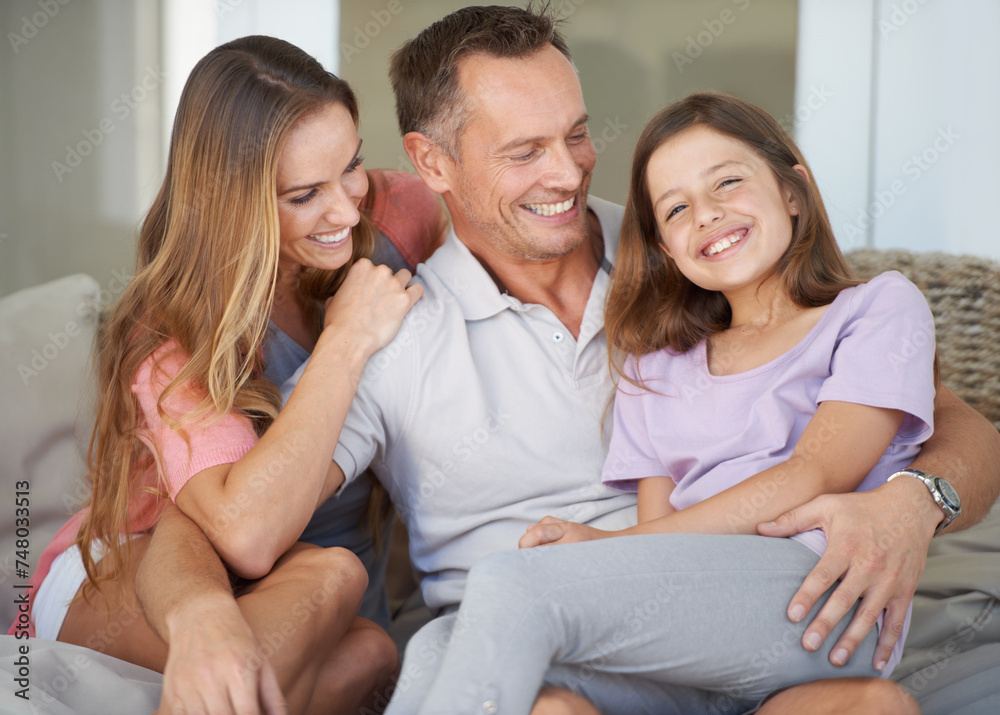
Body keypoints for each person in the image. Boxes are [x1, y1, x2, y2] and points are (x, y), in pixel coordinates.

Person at [140, 7, 1000, 715]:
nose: (567, 171)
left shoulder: (691, 250)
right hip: (546, 671)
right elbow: (223, 519)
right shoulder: (384, 329)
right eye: (523, 151)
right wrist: (199, 608)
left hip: (730, 610)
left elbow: (948, 423)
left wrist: (914, 503)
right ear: (431, 162)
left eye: (577, 134)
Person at [405, 90, 934, 714]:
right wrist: (630, 555)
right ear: (664, 249)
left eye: (728, 182)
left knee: (507, 584)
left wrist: (605, 551)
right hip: (690, 627)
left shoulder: (874, 310)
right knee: (443, 637)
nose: (707, 215)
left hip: (819, 592)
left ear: (793, 190)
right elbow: (657, 537)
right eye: (677, 209)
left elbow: (813, 474)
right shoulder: (655, 364)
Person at [11, 35, 428, 714]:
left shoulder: (393, 216)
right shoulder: (172, 335)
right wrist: (347, 338)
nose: (349, 211)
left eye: (350, 165)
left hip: (321, 612)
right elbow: (247, 534)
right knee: (334, 572)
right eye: (304, 194)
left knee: (374, 652)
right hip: (144, 572)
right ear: (234, 203)